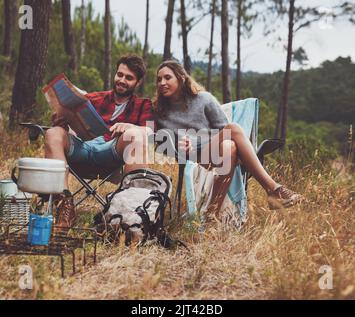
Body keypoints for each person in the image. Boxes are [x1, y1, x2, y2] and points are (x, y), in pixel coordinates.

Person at [153, 60, 303, 217]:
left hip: (212, 149)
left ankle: (211, 214)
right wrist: (178, 147)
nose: (162, 83)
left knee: (229, 146)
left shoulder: (204, 99)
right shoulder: (159, 111)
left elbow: (222, 128)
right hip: (190, 157)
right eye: (159, 79)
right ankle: (273, 189)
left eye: (167, 78)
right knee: (234, 129)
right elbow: (160, 144)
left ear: (181, 78)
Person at [45, 54, 153, 228]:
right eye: (119, 75)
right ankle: (64, 204)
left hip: (111, 153)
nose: (122, 80)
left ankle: (131, 210)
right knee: (53, 133)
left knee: (136, 135)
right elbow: (71, 129)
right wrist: (62, 121)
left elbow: (150, 131)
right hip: (83, 148)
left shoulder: (143, 105)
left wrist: (131, 127)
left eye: (129, 78)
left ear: (138, 82)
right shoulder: (93, 98)